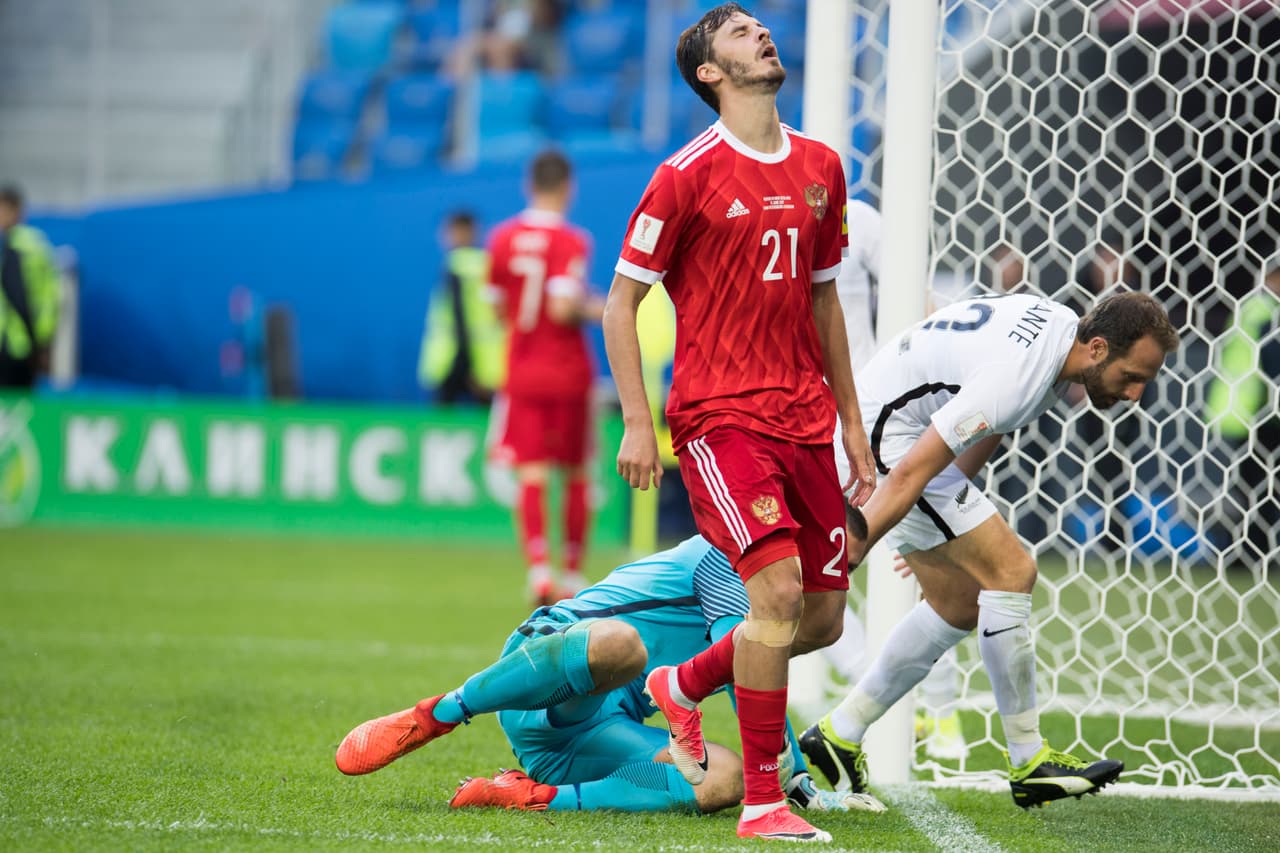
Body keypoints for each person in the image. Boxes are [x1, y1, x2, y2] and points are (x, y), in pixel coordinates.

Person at [601, 4, 876, 842]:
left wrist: (854, 427)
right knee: (777, 595)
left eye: (762, 26)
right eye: (739, 32)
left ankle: (681, 685)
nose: (762, 34)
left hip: (805, 418)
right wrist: (638, 423)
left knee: (821, 620)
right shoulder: (683, 175)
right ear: (709, 73)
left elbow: (825, 302)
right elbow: (621, 304)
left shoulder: (822, 166)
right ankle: (762, 801)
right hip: (722, 418)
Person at [798, 291, 1179, 809]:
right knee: (1013, 571)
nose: (1135, 394)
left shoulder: (1058, 338)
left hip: (892, 426)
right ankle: (1028, 760)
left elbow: (984, 423)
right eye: (1133, 375)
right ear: (1097, 348)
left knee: (958, 603)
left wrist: (946, 526)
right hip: (886, 439)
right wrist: (858, 543)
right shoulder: (1023, 373)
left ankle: (839, 734)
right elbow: (912, 469)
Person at [333, 535, 886, 817]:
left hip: (591, 733)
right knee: (624, 645)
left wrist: (796, 787)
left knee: (724, 779)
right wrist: (789, 781)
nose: (837, 575)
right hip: (545, 674)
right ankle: (439, 714)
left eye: (848, 567)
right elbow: (746, 678)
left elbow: (755, 686)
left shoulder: (774, 601)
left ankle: (532, 795)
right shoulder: (728, 556)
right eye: (835, 558)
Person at [787, 200, 968, 762]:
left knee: (920, 559)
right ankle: (891, 694)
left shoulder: (855, 217)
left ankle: (941, 719)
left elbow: (919, 300)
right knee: (797, 572)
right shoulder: (753, 211)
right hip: (792, 414)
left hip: (867, 412)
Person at [487, 149, 604, 605]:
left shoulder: (501, 239)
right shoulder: (572, 241)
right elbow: (561, 304)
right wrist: (602, 308)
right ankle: (573, 576)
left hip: (522, 368)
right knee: (575, 472)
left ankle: (539, 572)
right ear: (568, 187)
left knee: (531, 473)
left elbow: (498, 307)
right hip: (568, 371)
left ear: (528, 184)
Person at [419, 211, 505, 406]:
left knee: (443, 424)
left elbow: (460, 315)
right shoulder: (487, 264)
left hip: (456, 361)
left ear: (465, 231)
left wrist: (466, 364)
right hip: (488, 363)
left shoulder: (455, 265)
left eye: (450, 231)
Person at [0, 186, 59, 389]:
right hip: (35, 339)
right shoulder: (38, 243)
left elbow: (16, 293)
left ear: (13, 210)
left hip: (13, 341)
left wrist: (34, 343)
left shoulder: (14, 245)